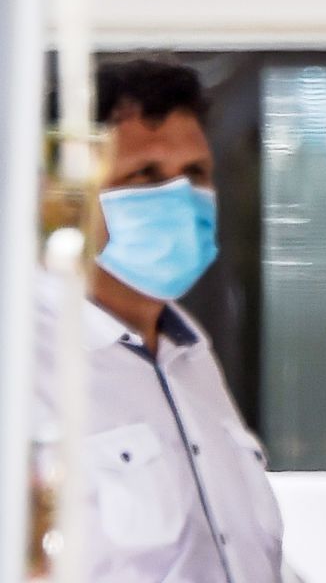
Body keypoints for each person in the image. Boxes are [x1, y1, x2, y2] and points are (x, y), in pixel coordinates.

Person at [32, 60, 284, 582]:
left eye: (195, 173)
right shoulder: (25, 359)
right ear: (65, 198)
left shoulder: (191, 355)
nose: (179, 196)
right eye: (144, 174)